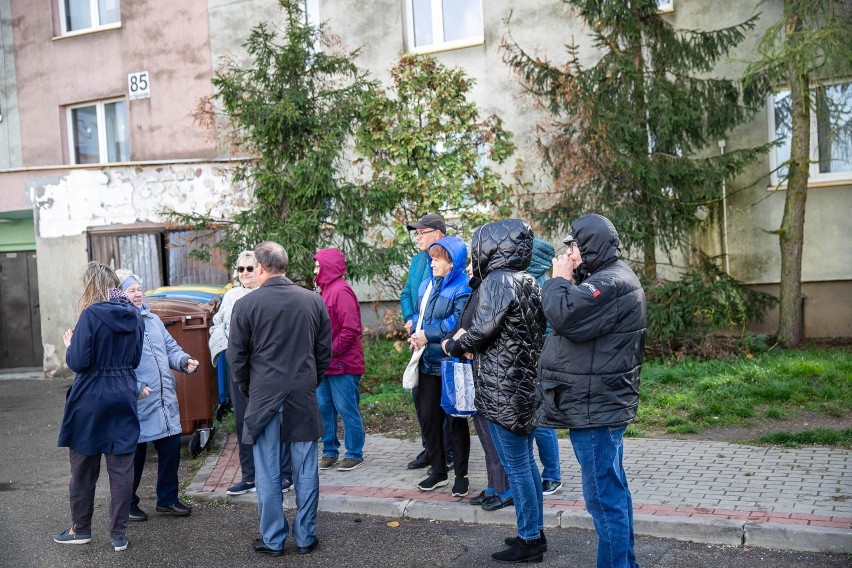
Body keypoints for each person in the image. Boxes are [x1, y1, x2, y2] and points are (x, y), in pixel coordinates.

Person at [537, 214, 646, 568]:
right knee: (612, 492)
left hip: (596, 407)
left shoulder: (610, 283)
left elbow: (564, 315)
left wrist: (558, 280)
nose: (569, 253)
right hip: (598, 403)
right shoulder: (609, 278)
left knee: (603, 498)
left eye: (574, 246)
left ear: (591, 246)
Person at [441, 219, 547, 563]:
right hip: (524, 386)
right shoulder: (528, 280)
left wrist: (451, 345)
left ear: (490, 247)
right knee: (526, 465)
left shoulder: (498, 282)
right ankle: (533, 532)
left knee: (517, 467)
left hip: (504, 389)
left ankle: (529, 539)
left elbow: (481, 331)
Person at [228, 241, 332, 557]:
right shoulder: (313, 300)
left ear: (260, 268)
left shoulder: (246, 306)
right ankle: (305, 536)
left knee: (268, 470)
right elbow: (323, 351)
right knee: (305, 468)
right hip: (302, 394)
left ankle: (273, 539)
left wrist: (251, 390)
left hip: (264, 396)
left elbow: (237, 359)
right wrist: (308, 382)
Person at [55, 262, 145, 552]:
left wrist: (70, 345)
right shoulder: (135, 315)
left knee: (83, 468)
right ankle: (119, 535)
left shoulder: (90, 315)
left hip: (90, 399)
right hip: (123, 394)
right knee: (121, 469)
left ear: (90, 286)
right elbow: (134, 360)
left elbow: (79, 362)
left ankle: (80, 529)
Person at [116, 270, 200, 522]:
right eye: (131, 290)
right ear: (120, 294)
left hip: (164, 401)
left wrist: (184, 361)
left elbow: (170, 348)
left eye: (139, 288)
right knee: (135, 457)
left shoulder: (152, 319)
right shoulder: (119, 324)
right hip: (139, 401)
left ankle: (167, 500)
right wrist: (134, 386)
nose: (138, 293)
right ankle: (128, 503)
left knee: (171, 449)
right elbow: (117, 365)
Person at [208, 251, 292, 496]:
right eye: (240, 269)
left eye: (249, 268)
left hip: (266, 369)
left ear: (261, 269)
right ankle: (250, 476)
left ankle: (285, 474)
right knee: (244, 420)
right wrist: (225, 347)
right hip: (238, 367)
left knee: (276, 419)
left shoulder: (269, 294)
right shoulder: (232, 295)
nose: (244, 273)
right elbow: (218, 326)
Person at [445, 260, 512, 511]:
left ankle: (504, 489)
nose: (469, 268)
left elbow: (484, 329)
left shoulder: (490, 289)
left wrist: (462, 344)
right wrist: (450, 341)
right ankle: (494, 486)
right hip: (473, 369)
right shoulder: (476, 288)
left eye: (474, 262)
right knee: (484, 434)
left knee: (493, 436)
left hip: (486, 371)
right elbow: (461, 327)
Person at [408, 236, 471, 495]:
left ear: (452, 262)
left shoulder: (463, 287)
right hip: (426, 363)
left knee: (456, 421)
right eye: (431, 259)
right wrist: (415, 328)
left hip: (450, 362)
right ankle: (438, 471)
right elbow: (417, 313)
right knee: (429, 420)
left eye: (437, 259)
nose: (432, 264)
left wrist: (428, 334)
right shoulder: (426, 285)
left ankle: (461, 475)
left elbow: (456, 322)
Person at [401, 213, 448, 471]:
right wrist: (410, 319)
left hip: (438, 341)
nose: (417, 237)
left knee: (442, 401)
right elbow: (407, 292)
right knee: (422, 399)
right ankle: (430, 449)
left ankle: (447, 453)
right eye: (416, 233)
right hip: (418, 337)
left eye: (422, 233)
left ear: (438, 233)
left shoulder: (449, 258)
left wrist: (426, 329)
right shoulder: (418, 260)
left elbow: (447, 302)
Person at [313, 248, 366, 472]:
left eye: (318, 265)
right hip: (325, 364)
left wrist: (329, 351)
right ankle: (330, 451)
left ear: (329, 266)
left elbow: (351, 329)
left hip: (344, 364)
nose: (314, 270)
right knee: (324, 409)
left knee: (346, 409)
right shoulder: (324, 291)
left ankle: (354, 453)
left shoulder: (341, 291)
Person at [526, 238, 563, 497]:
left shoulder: (539, 287)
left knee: (541, 421)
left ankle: (552, 475)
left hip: (539, 363)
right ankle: (547, 473)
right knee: (536, 419)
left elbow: (548, 329)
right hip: (532, 362)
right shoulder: (534, 284)